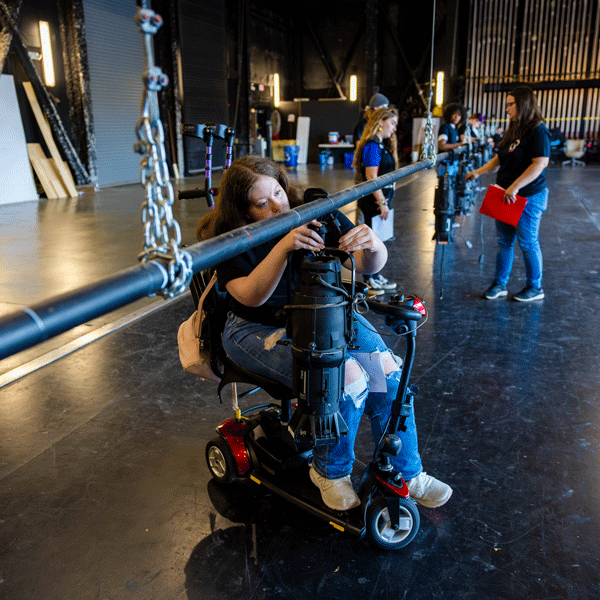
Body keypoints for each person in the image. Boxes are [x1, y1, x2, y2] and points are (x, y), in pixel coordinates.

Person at [196, 155, 452, 512]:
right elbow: (251, 296)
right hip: (254, 327)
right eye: (261, 203)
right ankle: (329, 472)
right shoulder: (231, 238)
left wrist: (374, 244)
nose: (277, 206)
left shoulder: (311, 210)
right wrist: (285, 245)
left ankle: (407, 471)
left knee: (388, 374)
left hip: (322, 314)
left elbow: (364, 266)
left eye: (278, 194)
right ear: (243, 211)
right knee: (344, 377)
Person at [466, 86, 550, 302]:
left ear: (523, 104)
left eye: (510, 104)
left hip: (527, 196)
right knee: (504, 241)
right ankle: (499, 284)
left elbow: (540, 163)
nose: (507, 109)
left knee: (528, 242)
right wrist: (478, 172)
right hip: (504, 195)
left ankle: (535, 287)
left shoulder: (537, 130)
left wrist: (515, 186)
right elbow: (499, 159)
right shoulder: (513, 129)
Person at [353, 107, 400, 295]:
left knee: (379, 239)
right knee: (371, 240)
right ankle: (368, 279)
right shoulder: (372, 145)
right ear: (381, 121)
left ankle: (376, 273)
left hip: (382, 198)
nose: (394, 128)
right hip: (373, 201)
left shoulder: (382, 144)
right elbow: (371, 176)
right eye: (393, 123)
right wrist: (382, 203)